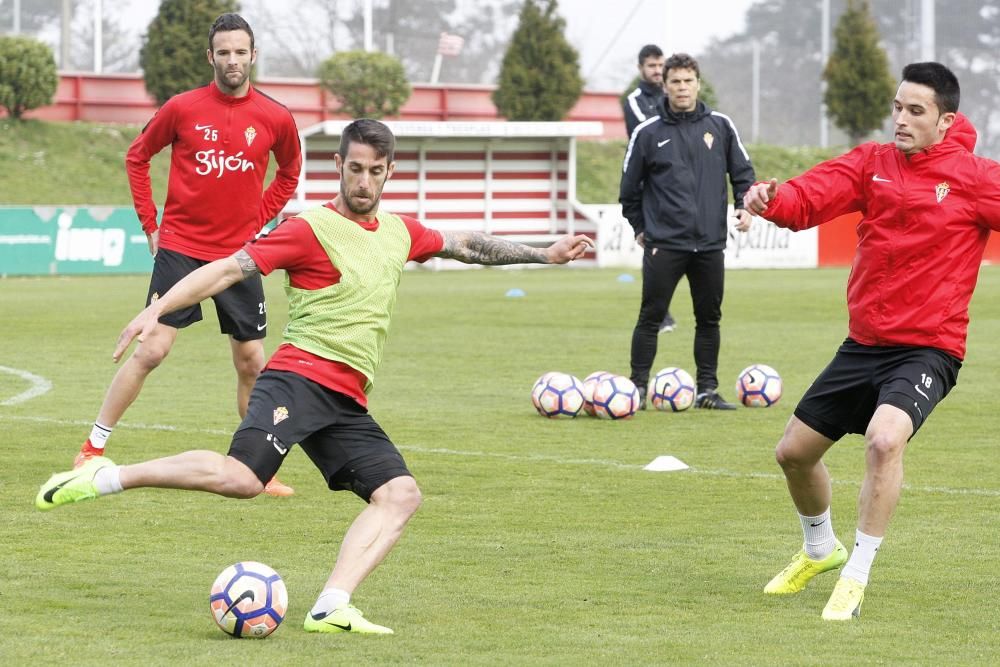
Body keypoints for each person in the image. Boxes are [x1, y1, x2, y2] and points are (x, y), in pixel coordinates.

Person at [36, 118, 594, 635]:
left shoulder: (399, 232)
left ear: (389, 172)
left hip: (346, 398)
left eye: (376, 171)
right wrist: (155, 309)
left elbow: (465, 245)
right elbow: (228, 268)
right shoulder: (310, 228)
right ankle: (107, 475)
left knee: (399, 495)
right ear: (339, 165)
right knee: (242, 480)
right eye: (355, 168)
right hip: (298, 379)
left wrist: (543, 253)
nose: (364, 180)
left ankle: (332, 605)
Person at [743, 62, 1000, 620]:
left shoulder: (977, 177)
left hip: (929, 347)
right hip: (863, 344)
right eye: (897, 107)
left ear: (945, 119)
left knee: (885, 440)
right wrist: (772, 199)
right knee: (792, 455)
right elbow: (810, 197)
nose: (901, 120)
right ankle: (821, 550)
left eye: (915, 111)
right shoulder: (872, 163)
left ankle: (856, 575)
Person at [75, 13, 303, 496]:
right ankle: (92, 449)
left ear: (253, 55)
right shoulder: (182, 107)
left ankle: (259, 467)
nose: (232, 60)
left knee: (251, 362)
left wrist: (256, 221)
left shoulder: (276, 117)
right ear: (211, 57)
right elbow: (137, 156)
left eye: (240, 52)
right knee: (152, 349)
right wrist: (150, 225)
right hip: (179, 248)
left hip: (238, 257)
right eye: (224, 52)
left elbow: (289, 173)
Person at [619, 52, 755, 410]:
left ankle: (707, 390)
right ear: (664, 86)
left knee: (709, 319)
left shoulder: (721, 126)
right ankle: (637, 390)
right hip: (665, 244)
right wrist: (640, 227)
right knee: (650, 318)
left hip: (710, 244)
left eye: (688, 81)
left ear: (698, 84)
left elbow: (743, 174)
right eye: (675, 82)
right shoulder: (647, 133)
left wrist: (744, 206)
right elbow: (628, 189)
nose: (682, 87)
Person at [622, 43, 676, 335]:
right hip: (648, 186)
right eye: (651, 66)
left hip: (674, 186)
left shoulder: (672, 93)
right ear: (641, 68)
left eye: (660, 65)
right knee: (653, 246)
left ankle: (664, 311)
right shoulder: (633, 100)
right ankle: (659, 313)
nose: (657, 71)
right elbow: (647, 134)